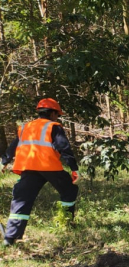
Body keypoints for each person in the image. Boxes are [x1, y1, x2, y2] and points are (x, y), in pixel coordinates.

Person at [0, 98, 79, 246]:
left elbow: (13, 146)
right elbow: (64, 147)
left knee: (21, 200)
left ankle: (10, 238)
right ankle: (66, 222)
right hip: (49, 167)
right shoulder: (53, 126)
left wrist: (4, 162)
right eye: (57, 114)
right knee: (69, 190)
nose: (58, 117)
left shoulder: (25, 127)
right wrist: (74, 168)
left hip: (28, 167)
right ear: (53, 113)